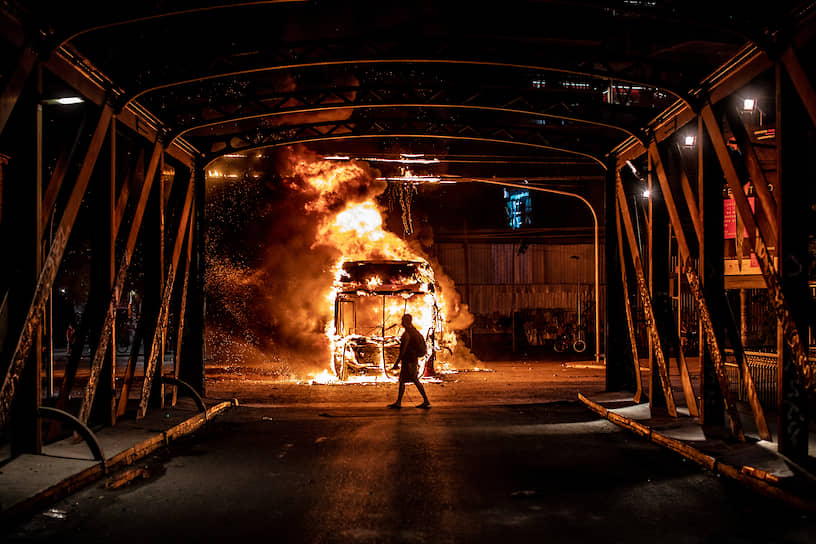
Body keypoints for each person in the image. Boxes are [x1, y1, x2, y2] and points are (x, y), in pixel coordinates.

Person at [388, 313, 431, 409]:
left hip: (409, 360)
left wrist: (397, 362)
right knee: (403, 380)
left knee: (414, 379)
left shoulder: (408, 334)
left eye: (403, 320)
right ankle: (399, 402)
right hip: (411, 359)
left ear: (406, 321)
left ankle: (425, 400)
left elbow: (403, 350)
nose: (401, 322)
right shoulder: (414, 331)